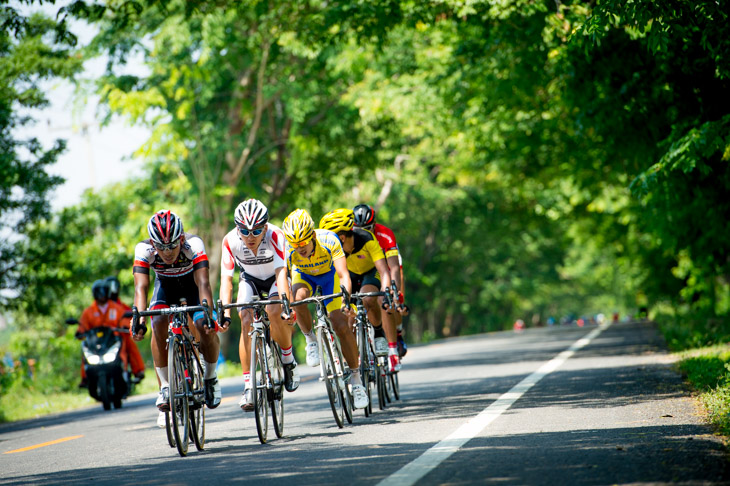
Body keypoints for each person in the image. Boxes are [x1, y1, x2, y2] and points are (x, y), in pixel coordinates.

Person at [129, 209, 223, 416]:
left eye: (173, 245)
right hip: (165, 287)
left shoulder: (194, 245)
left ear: (181, 238)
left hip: (192, 286)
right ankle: (165, 387)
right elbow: (140, 289)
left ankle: (210, 377)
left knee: (203, 326)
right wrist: (138, 320)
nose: (168, 251)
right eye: (161, 247)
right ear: (153, 244)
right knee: (157, 322)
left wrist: (208, 313)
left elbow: (204, 282)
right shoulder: (143, 250)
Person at [281, 208, 368, 409]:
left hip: (330, 278)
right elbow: (284, 279)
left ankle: (356, 381)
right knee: (299, 299)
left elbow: (343, 274)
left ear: (312, 235)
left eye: (303, 243)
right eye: (295, 244)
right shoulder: (288, 250)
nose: (299, 248)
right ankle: (310, 339)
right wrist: (288, 305)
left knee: (340, 325)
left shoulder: (329, 240)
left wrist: (346, 300)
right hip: (305, 277)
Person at [220, 199, 299, 412]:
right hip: (250, 279)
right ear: (238, 228)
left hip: (275, 278)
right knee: (244, 318)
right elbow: (226, 280)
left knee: (274, 311)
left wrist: (286, 307)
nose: (250, 237)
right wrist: (225, 313)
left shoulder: (276, 235)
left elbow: (282, 273)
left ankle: (287, 359)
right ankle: (248, 386)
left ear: (265, 226)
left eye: (256, 231)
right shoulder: (229, 240)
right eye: (244, 231)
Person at [319, 209, 394, 365]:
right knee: (347, 315)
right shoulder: (334, 249)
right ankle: (354, 359)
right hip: (349, 276)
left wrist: (386, 292)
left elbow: (384, 271)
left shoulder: (366, 238)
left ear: (341, 237)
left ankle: (379, 332)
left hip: (370, 272)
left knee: (368, 299)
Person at [352, 203, 408, 369]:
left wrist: (396, 294)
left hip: (387, 265)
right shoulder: (351, 238)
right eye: (358, 228)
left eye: (368, 228)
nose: (363, 232)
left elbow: (395, 269)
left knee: (389, 300)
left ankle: (396, 336)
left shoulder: (385, 234)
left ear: (374, 225)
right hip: (363, 268)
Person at [78, 279, 145, 387]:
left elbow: (124, 318)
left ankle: (135, 370)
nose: (101, 296)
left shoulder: (116, 308)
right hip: (97, 341)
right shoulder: (89, 311)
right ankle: (85, 377)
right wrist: (80, 332)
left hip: (114, 339)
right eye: (99, 293)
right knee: (85, 349)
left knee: (127, 346)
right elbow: (83, 325)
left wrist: (125, 325)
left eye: (103, 292)